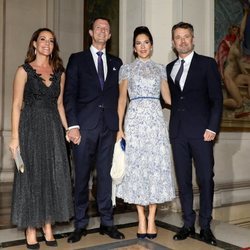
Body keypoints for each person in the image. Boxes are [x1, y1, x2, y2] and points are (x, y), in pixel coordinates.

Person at [8, 28, 73, 249]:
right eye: (42, 39)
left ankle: (47, 226)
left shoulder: (60, 72)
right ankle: (31, 228)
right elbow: (16, 105)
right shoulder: (23, 71)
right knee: (32, 178)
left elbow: (59, 105)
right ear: (34, 44)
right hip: (30, 129)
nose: (47, 43)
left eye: (51, 40)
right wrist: (15, 137)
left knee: (52, 176)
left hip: (53, 129)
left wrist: (69, 129)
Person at [64, 17, 125, 243]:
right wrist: (73, 125)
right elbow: (69, 94)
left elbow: (120, 98)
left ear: (109, 35)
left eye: (106, 29)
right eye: (98, 28)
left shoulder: (117, 62)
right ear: (91, 32)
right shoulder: (77, 60)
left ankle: (107, 223)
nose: (102, 31)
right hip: (83, 129)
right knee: (81, 178)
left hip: (108, 128)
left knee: (106, 178)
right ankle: (80, 224)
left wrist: (119, 127)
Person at [166, 22, 223, 246]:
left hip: (202, 133)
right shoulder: (168, 68)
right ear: (173, 42)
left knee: (205, 179)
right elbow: (167, 98)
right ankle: (187, 223)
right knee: (183, 180)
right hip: (178, 133)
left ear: (193, 39)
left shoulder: (207, 64)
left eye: (186, 37)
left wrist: (212, 128)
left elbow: (217, 100)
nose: (182, 41)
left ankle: (205, 225)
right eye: (178, 37)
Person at [116, 26, 175, 239]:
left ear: (151, 46)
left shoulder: (160, 68)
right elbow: (122, 99)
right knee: (137, 169)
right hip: (134, 123)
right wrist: (120, 128)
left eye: (146, 43)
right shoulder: (126, 69)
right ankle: (141, 217)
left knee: (155, 168)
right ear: (134, 47)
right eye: (138, 43)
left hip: (155, 123)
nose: (142, 47)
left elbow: (168, 99)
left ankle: (152, 218)